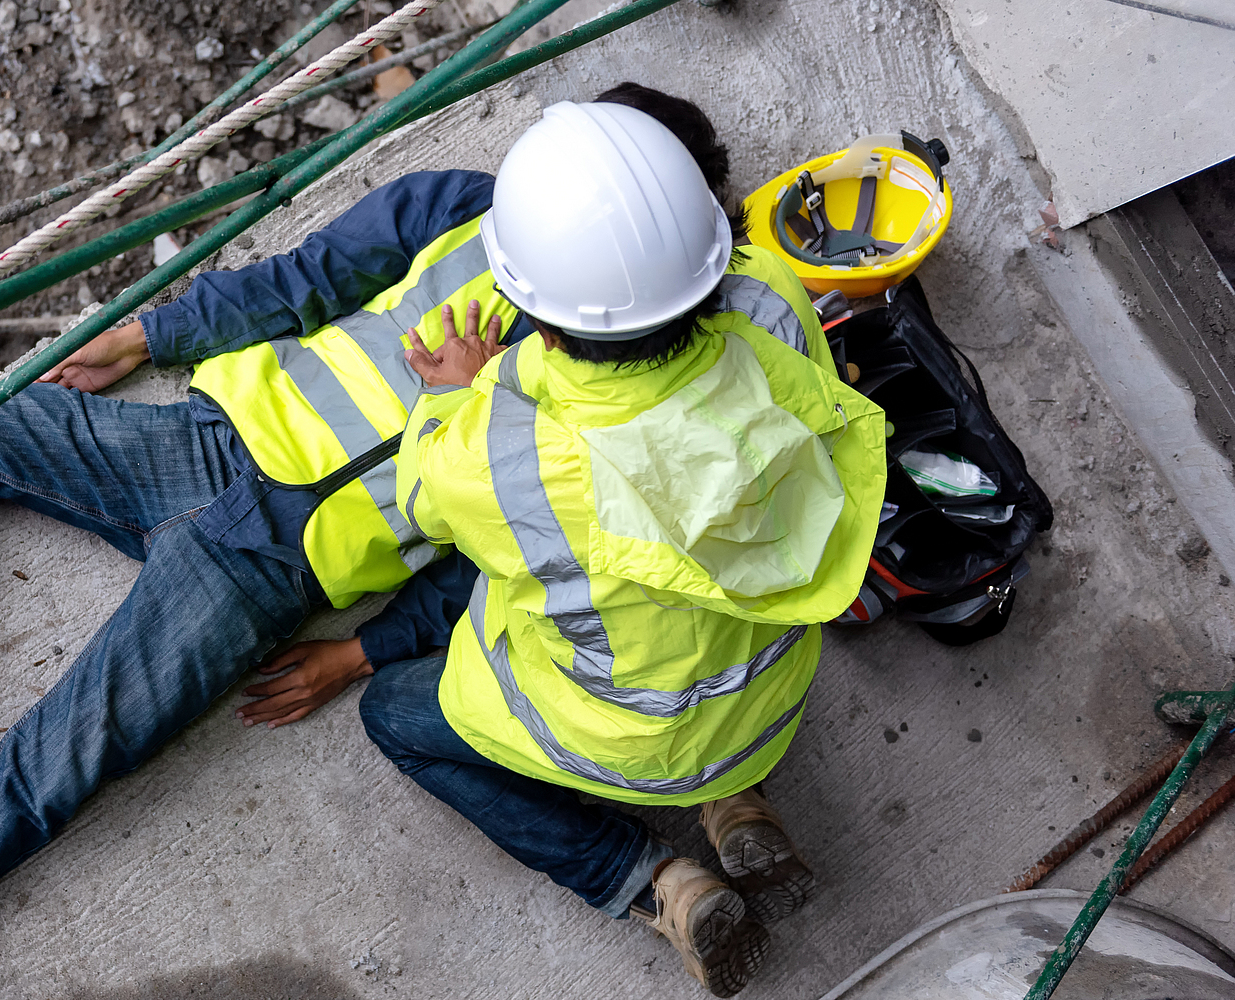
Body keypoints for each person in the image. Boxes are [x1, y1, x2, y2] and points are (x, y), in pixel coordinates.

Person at [0, 84, 793, 1000]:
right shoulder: (461, 208)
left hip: (270, 564)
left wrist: (360, 651)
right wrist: (154, 332)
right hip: (201, 435)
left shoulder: (599, 398)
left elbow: (504, 564)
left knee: (50, 760)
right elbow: (307, 277)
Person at [367, 100, 889, 997]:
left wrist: (456, 393)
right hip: (769, 693)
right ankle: (733, 807)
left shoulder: (500, 447)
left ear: (536, 311)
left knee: (393, 716)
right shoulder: (774, 301)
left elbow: (418, 502)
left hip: (625, 738)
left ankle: (661, 883)